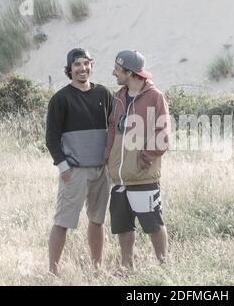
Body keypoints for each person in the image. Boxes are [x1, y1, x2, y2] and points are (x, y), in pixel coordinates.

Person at [46, 48, 113, 275]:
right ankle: (53, 272)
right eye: (77, 64)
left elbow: (115, 127)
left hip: (102, 171)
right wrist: (63, 167)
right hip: (75, 171)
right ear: (69, 69)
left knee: (97, 221)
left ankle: (97, 267)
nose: (82, 69)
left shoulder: (104, 94)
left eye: (86, 63)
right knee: (63, 222)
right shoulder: (60, 98)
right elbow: (51, 138)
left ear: (91, 66)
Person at [105, 50, 170, 270]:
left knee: (152, 224)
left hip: (143, 176)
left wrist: (146, 158)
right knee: (123, 227)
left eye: (117, 69)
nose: (113, 72)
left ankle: (164, 266)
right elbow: (113, 128)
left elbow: (163, 134)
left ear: (130, 72)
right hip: (119, 177)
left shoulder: (155, 97)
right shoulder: (119, 96)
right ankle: (127, 267)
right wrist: (108, 157)